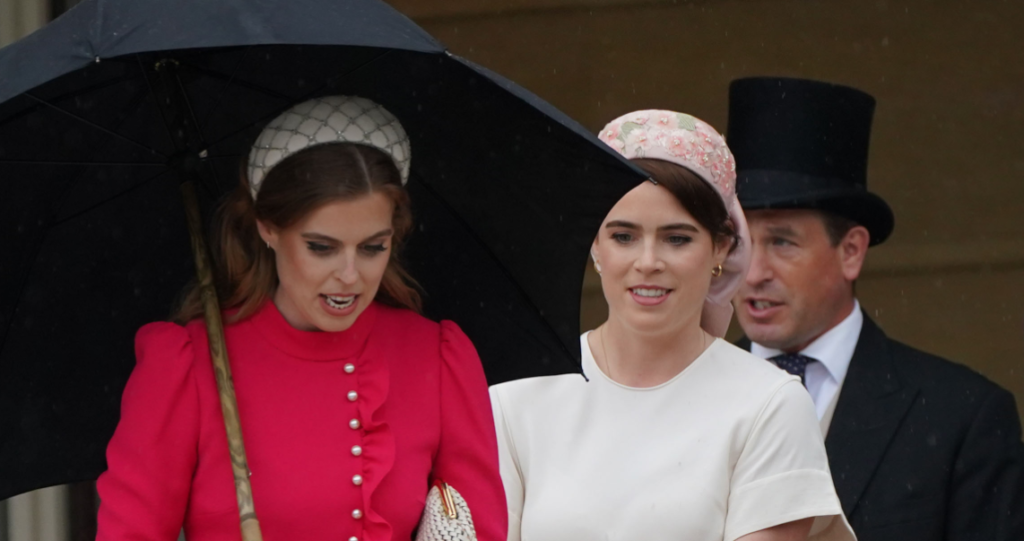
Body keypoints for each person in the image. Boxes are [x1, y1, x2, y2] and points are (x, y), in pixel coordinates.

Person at [95, 96, 507, 541]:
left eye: (372, 248)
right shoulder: (186, 366)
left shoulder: (436, 357)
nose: (350, 276)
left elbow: (479, 530)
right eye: (321, 247)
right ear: (267, 227)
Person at [489, 110, 855, 541]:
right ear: (594, 244)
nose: (648, 263)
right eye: (623, 236)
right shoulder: (518, 395)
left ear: (721, 247)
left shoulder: (768, 404)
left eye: (676, 238)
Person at [728, 76, 1024, 541]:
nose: (753, 271)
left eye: (782, 242)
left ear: (851, 252)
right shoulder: (680, 395)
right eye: (740, 243)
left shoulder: (961, 417)